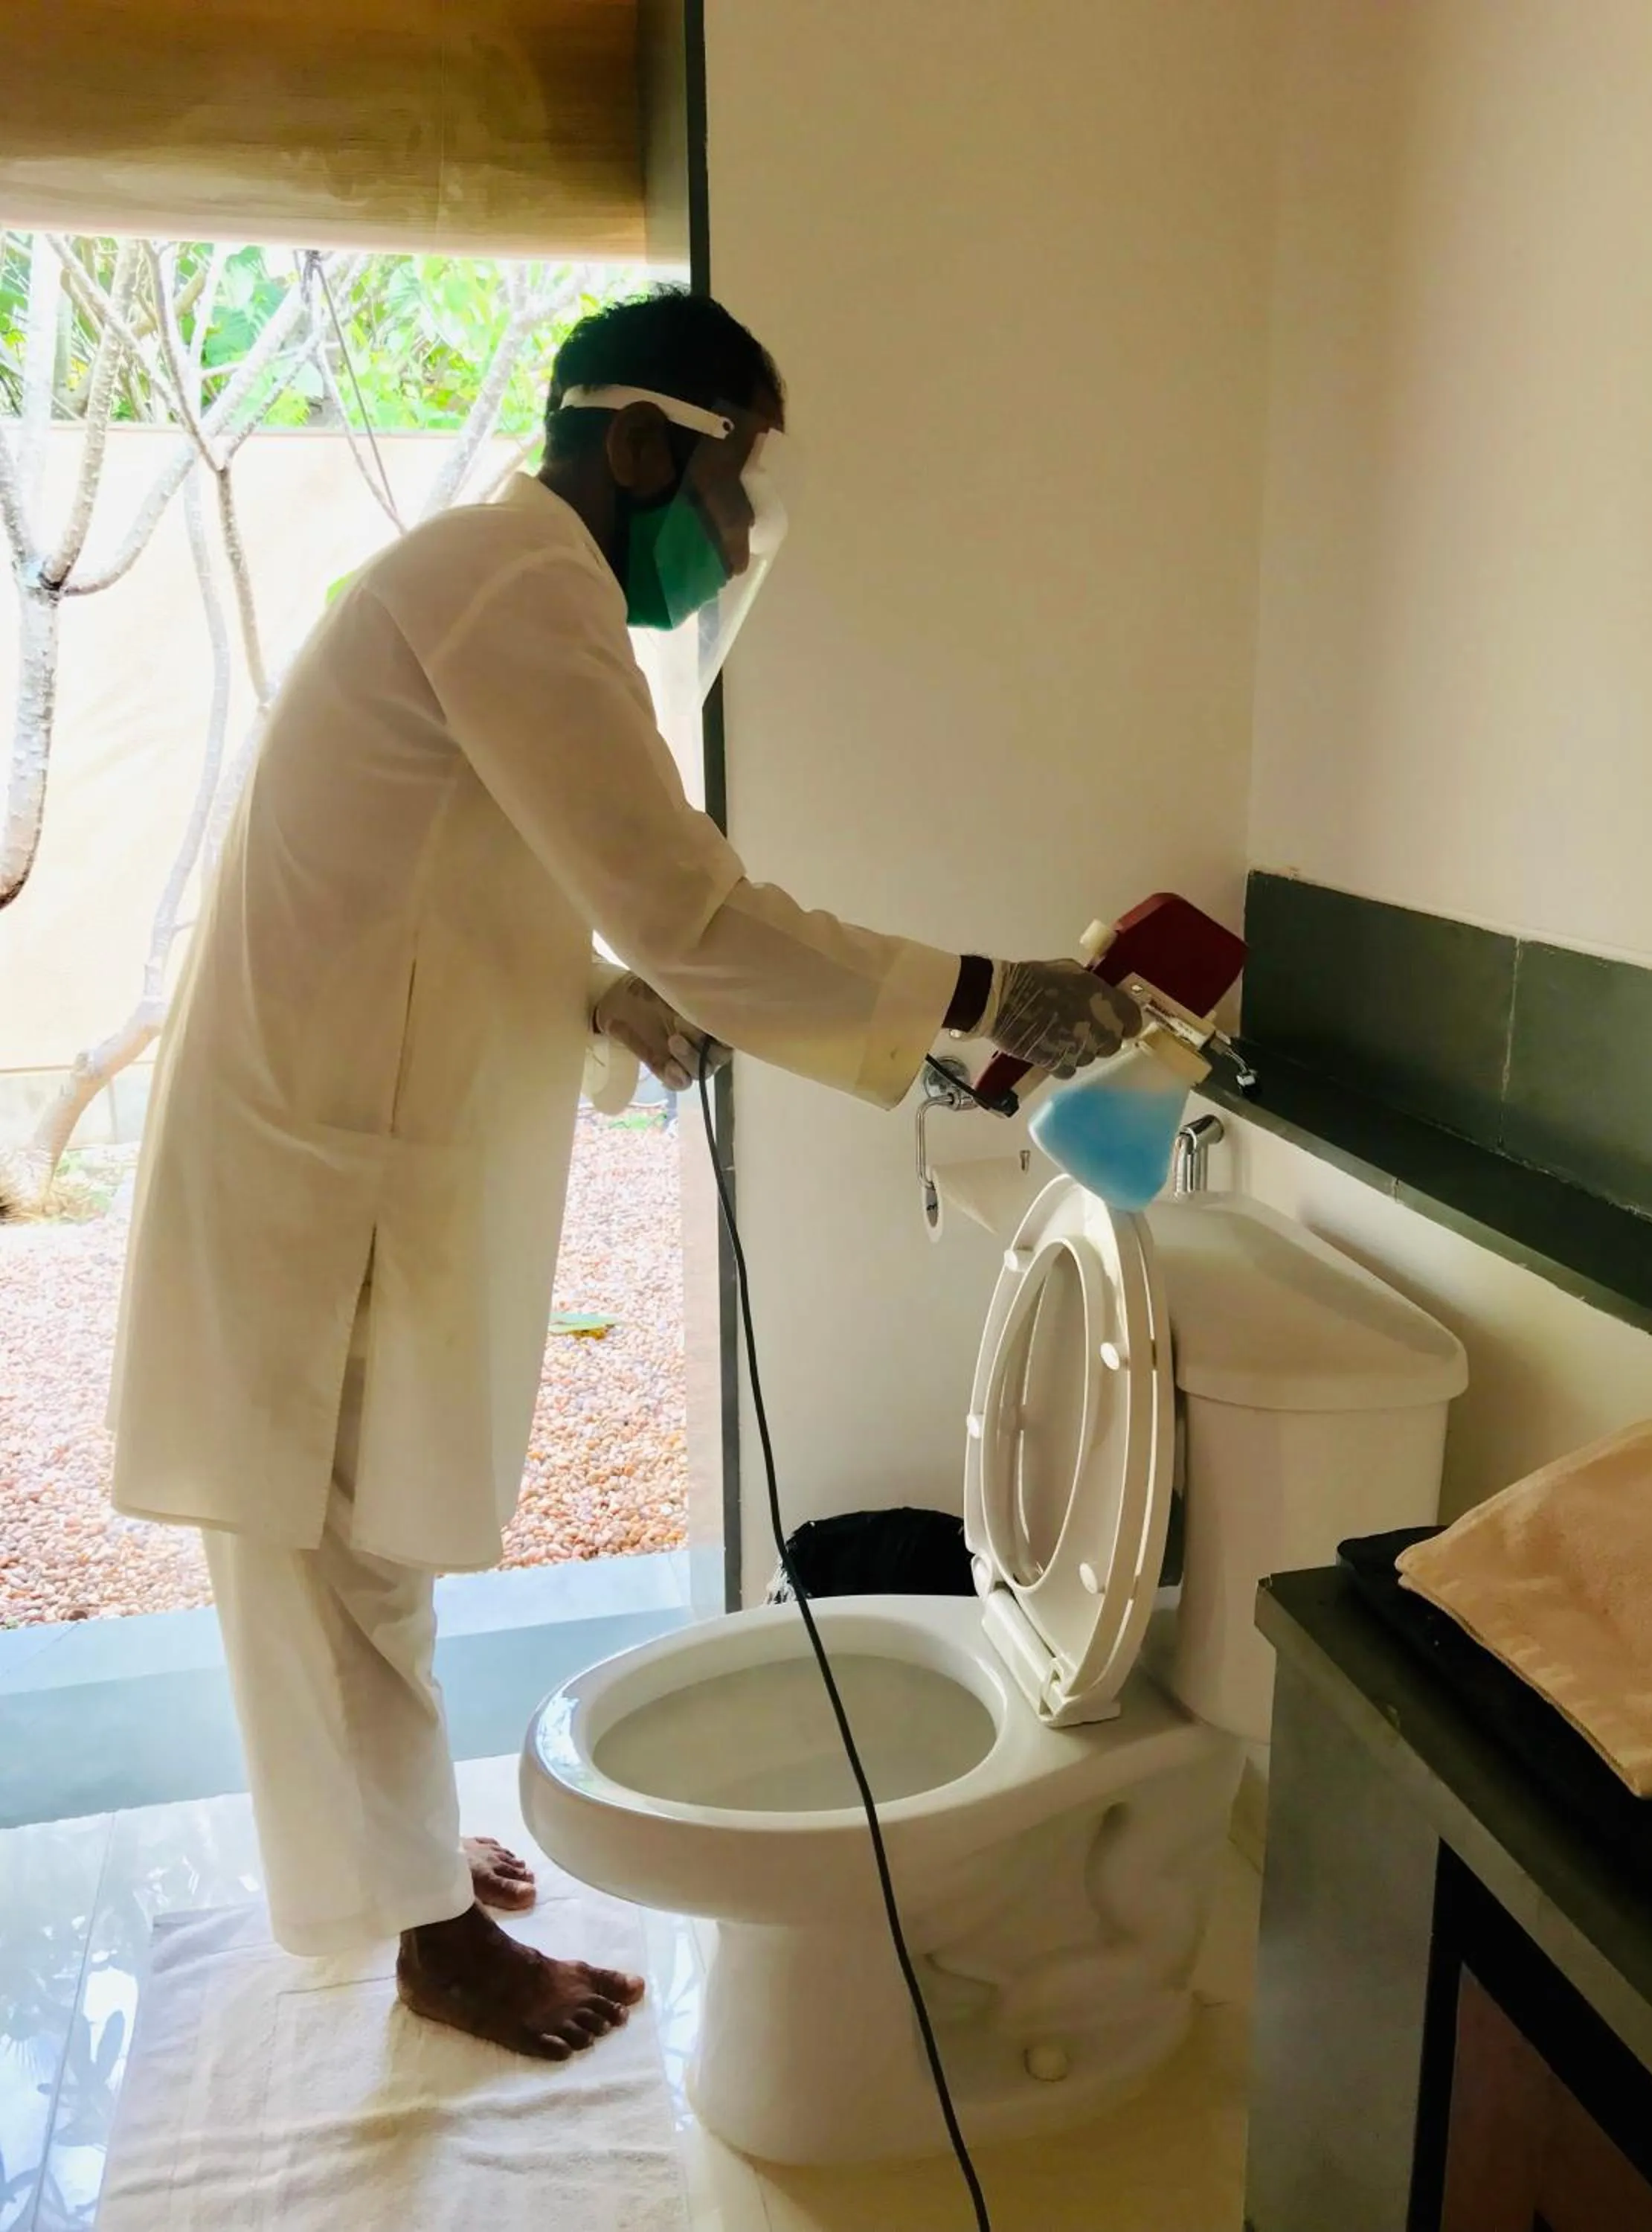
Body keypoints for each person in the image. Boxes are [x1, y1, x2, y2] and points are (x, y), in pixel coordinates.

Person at [107, 287, 1138, 2061]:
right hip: (318, 1149)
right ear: (644, 442)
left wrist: (608, 1002)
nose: (737, 535)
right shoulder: (518, 582)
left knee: (359, 1538)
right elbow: (694, 906)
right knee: (321, 1540)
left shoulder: (507, 586)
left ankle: (403, 1852)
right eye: (735, 486)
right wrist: (988, 996)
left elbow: (467, 872)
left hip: (352, 1126)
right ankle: (424, 1935)